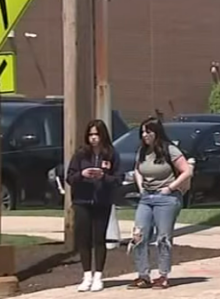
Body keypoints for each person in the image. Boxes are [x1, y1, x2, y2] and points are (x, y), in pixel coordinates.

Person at [128, 117, 193, 289]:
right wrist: (141, 186)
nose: (145, 135)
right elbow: (137, 169)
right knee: (138, 235)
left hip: (166, 198)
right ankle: (143, 275)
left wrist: (170, 188)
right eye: (142, 132)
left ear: (156, 133)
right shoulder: (142, 151)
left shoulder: (169, 149)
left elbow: (186, 171)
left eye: (148, 132)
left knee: (163, 238)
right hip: (146, 197)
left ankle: (163, 275)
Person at [66, 119, 121, 292]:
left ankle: (98, 275)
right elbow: (70, 177)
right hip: (82, 201)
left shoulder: (111, 154)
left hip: (102, 202)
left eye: (97, 134)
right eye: (90, 134)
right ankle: (86, 275)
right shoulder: (80, 154)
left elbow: (118, 179)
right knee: (83, 239)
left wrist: (103, 176)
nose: (93, 138)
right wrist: (82, 174)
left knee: (99, 239)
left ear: (103, 135)